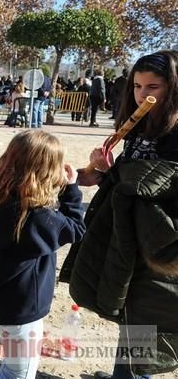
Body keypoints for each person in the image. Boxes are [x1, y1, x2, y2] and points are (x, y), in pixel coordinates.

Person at [67, 50, 178, 379]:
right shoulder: (140, 124)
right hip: (130, 231)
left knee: (150, 311)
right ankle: (125, 374)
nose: (143, 94)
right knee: (131, 306)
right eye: (138, 86)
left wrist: (120, 173)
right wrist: (101, 174)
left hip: (161, 240)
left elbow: (159, 183)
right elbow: (134, 179)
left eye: (153, 87)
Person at [0, 130, 85, 379]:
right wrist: (71, 189)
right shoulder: (35, 217)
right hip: (23, 306)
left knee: (13, 364)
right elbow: (76, 229)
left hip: (1, 298)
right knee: (19, 373)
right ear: (47, 172)